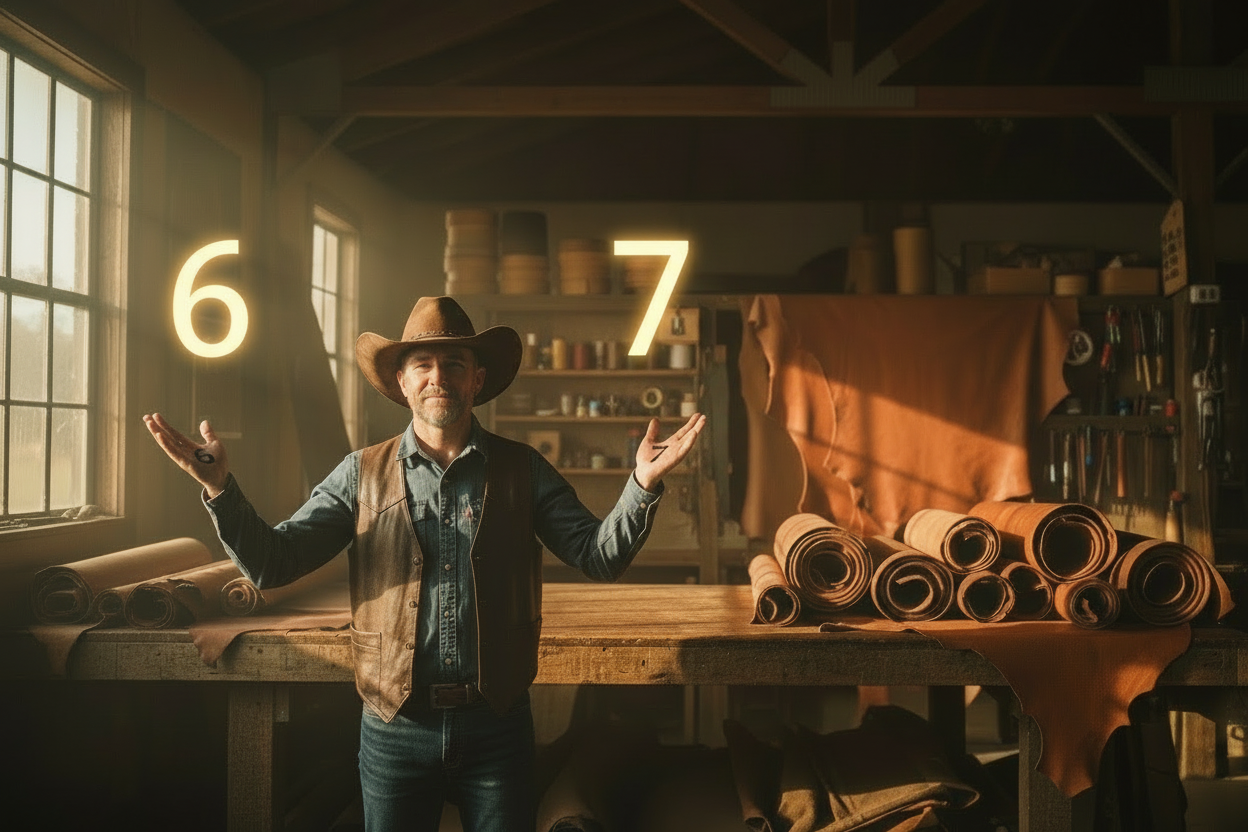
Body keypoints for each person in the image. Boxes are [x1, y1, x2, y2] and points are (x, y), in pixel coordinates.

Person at [143, 295, 705, 832]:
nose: (439, 376)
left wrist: (641, 485)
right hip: (394, 727)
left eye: (455, 363)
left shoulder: (523, 470)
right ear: (402, 382)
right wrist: (220, 488)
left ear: (476, 380)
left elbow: (599, 557)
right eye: (423, 364)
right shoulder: (358, 473)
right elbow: (271, 564)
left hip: (498, 724)